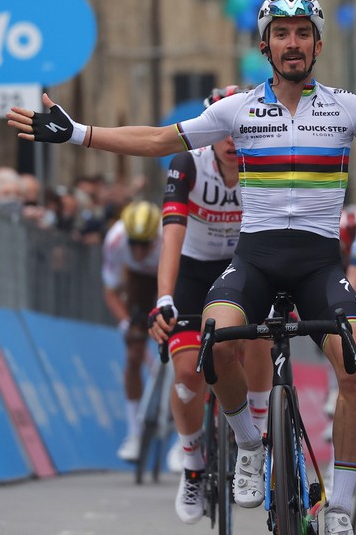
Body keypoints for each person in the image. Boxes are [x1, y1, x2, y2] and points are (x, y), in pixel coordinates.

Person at [7, 0, 356, 535]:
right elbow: (159, 139)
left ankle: (344, 508)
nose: (293, 42)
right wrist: (78, 133)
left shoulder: (348, 109)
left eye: (303, 32)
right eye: (282, 34)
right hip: (254, 259)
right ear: (266, 46)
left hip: (318, 266)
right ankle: (250, 448)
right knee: (214, 341)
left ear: (318, 45)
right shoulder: (236, 110)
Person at [147, 85, 273, 524]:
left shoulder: (265, 163)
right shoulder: (189, 162)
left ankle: (254, 433)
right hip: (194, 271)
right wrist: (164, 297)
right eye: (222, 127)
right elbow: (172, 235)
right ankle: (193, 463)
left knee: (261, 337)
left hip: (246, 267)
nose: (231, 137)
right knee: (186, 375)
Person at [102, 199, 163, 462]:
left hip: (170, 276)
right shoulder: (115, 240)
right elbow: (111, 290)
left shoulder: (170, 235)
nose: (138, 250)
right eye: (133, 244)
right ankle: (135, 433)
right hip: (137, 281)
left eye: (145, 244)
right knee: (133, 354)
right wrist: (126, 323)